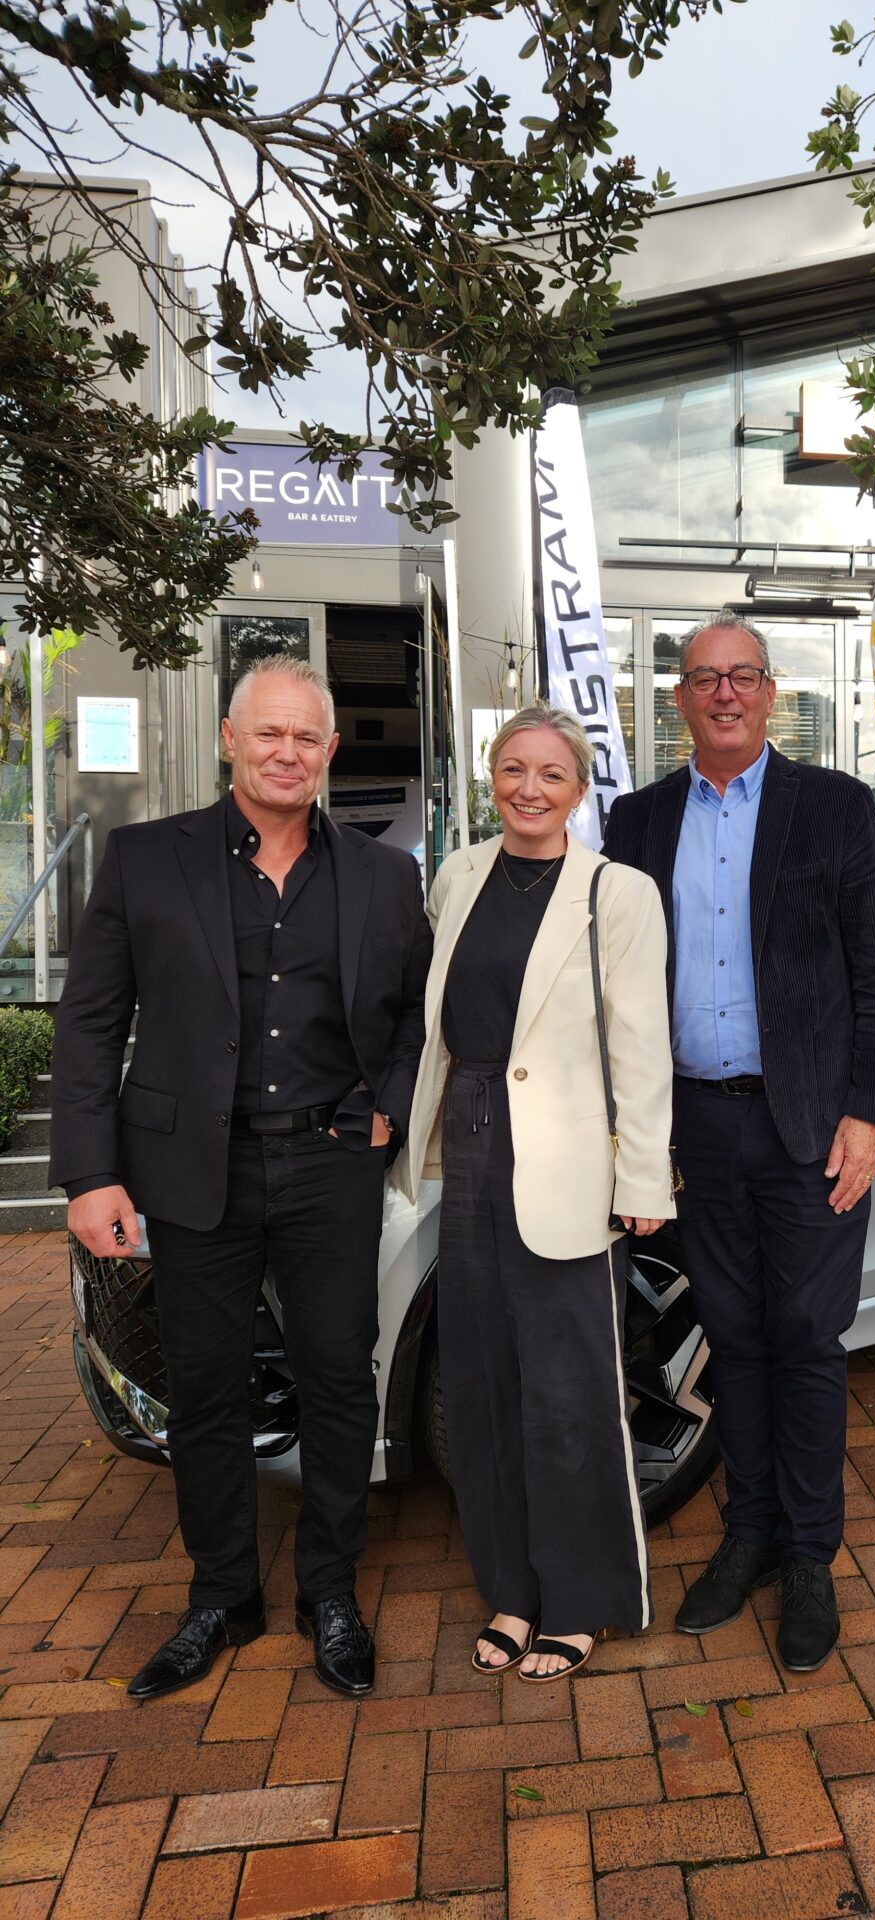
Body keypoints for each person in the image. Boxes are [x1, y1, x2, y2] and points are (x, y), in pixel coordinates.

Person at [50, 657, 432, 1701]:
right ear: (229, 738)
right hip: (187, 1168)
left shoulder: (381, 875)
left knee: (338, 1379)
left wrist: (388, 1102)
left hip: (329, 1160)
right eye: (268, 734)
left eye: (306, 738)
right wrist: (89, 1173)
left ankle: (329, 1591)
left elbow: (410, 1012)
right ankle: (221, 1596)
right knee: (206, 1388)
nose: (286, 753)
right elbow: (89, 1025)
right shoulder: (143, 860)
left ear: (329, 753)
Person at [605, 614, 875, 1672]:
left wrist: (869, 1114)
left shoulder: (832, 807)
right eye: (701, 679)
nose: (722, 693)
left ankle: (809, 1554)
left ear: (770, 693)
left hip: (811, 1125)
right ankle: (749, 1535)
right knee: (729, 1336)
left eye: (740, 677)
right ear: (678, 700)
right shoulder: (636, 821)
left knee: (806, 1337)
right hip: (696, 1121)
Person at [395, 704, 673, 1682]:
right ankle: (513, 1590)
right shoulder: (457, 877)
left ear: (578, 787)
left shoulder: (617, 894)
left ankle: (584, 1600)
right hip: (467, 1147)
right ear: (489, 775)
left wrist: (643, 1176)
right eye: (511, 769)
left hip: (566, 1163)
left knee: (569, 1394)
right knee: (479, 1386)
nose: (527, 789)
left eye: (549, 774)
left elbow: (640, 1049)